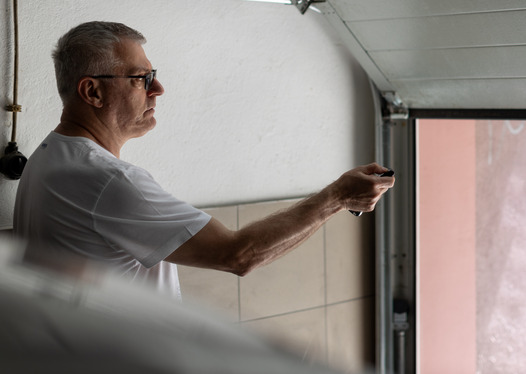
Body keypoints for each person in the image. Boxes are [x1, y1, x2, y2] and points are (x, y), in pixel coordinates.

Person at [13, 21, 395, 301]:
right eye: (140, 78)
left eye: (153, 76)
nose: (158, 89)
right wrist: (338, 197)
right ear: (92, 91)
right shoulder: (108, 181)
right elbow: (239, 254)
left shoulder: (49, 158)